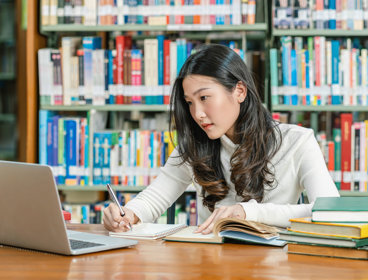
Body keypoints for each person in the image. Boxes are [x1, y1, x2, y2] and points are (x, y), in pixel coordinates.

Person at [103, 44, 339, 234]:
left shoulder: (297, 142)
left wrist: (248, 213)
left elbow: (329, 212)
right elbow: (155, 197)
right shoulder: (195, 144)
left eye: (204, 97)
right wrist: (127, 214)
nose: (197, 114)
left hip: (273, 263)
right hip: (211, 262)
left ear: (239, 91)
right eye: (189, 103)